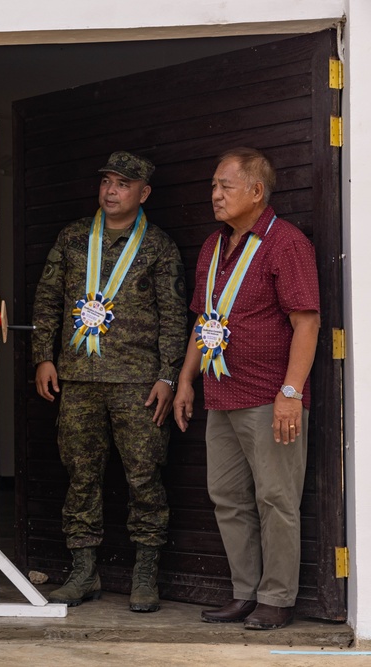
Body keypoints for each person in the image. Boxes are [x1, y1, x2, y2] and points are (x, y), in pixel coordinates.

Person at [31, 151, 186, 612]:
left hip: (137, 384)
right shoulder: (75, 237)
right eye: (106, 182)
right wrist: (43, 357)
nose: (111, 191)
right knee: (80, 476)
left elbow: (175, 317)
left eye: (123, 184)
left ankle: (145, 574)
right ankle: (83, 572)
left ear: (144, 193)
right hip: (77, 379)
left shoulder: (158, 246)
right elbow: (47, 299)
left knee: (144, 479)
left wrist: (167, 375)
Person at [174, 148, 319, 631]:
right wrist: (186, 380)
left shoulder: (286, 244)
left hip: (269, 399)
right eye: (213, 186)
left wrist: (291, 392)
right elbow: (203, 320)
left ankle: (277, 599)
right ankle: (245, 593)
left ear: (256, 192)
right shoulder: (214, 247)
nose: (215, 195)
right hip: (221, 396)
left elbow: (306, 323)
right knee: (228, 497)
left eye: (225, 186)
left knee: (276, 499)